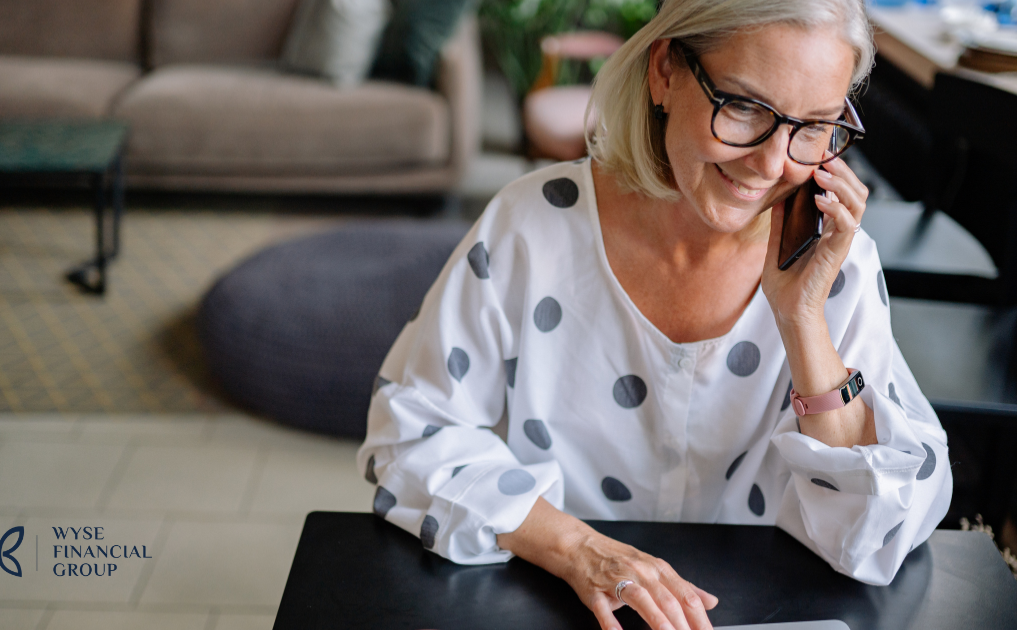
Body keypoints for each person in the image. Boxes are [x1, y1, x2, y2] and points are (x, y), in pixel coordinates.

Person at [357, 0, 952, 628]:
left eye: (814, 126)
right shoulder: (530, 227)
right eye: (745, 106)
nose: (773, 163)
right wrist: (577, 548)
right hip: (554, 602)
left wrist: (804, 321)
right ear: (664, 70)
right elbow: (409, 433)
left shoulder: (837, 264)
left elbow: (878, 528)